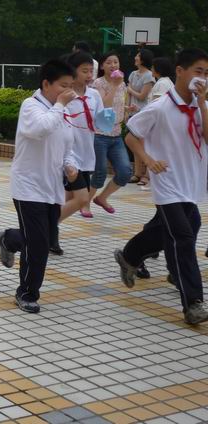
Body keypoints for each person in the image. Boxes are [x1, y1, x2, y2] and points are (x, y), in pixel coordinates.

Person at [113, 48, 208, 325]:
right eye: (197, 71)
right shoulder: (160, 106)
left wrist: (202, 104)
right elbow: (132, 136)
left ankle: (130, 255)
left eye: (206, 73)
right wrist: (148, 160)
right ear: (180, 71)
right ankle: (193, 303)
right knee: (183, 237)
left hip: (191, 182)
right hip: (167, 183)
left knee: (182, 227)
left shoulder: (200, 107)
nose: (202, 77)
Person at [0, 59, 78, 314]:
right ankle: (27, 293)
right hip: (28, 186)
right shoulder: (31, 107)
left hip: (52, 188)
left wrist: (70, 164)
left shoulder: (61, 112)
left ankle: (8, 238)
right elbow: (40, 129)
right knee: (39, 245)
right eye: (63, 86)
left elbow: (68, 146)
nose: (69, 92)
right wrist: (61, 106)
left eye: (70, 87)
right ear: (46, 84)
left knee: (43, 238)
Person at [51, 52, 104, 255]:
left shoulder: (94, 95)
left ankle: (50, 234)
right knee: (82, 198)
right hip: (68, 154)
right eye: (84, 71)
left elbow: (99, 122)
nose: (89, 74)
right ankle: (46, 229)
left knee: (64, 197)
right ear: (72, 72)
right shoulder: (64, 96)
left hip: (86, 153)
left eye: (91, 70)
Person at [89, 52, 132, 214]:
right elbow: (103, 106)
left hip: (116, 134)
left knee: (125, 172)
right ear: (102, 66)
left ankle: (102, 198)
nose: (113, 65)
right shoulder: (97, 84)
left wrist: (127, 110)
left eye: (116, 62)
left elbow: (120, 103)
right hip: (100, 134)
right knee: (99, 172)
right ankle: (84, 204)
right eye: (109, 62)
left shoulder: (122, 84)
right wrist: (114, 85)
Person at [127, 48, 155, 186]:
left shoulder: (149, 76)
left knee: (144, 145)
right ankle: (137, 173)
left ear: (143, 59)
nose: (135, 58)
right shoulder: (133, 74)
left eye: (137, 56)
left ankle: (147, 175)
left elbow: (142, 96)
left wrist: (130, 89)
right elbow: (130, 95)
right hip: (132, 112)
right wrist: (126, 110)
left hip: (144, 112)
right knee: (135, 144)